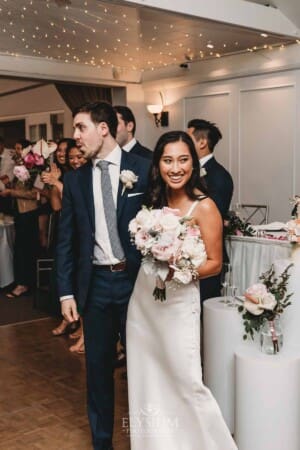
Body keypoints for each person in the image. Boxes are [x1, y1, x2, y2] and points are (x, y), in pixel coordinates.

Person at [126, 131, 237, 450]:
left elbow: (215, 263)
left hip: (178, 303)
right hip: (144, 302)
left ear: (193, 163)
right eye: (168, 160)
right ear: (158, 164)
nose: (175, 168)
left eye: (183, 160)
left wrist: (178, 268)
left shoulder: (204, 206)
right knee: (146, 376)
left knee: (186, 380)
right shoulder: (154, 201)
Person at [56, 101, 151, 450]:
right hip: (95, 286)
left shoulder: (143, 168)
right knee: (97, 372)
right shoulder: (75, 179)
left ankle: (149, 439)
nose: (75, 137)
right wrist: (66, 293)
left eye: (81, 128)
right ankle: (102, 443)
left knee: (143, 368)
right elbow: (65, 241)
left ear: (103, 128)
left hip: (135, 284)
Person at [187, 119, 234, 301]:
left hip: (207, 257)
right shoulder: (188, 171)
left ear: (202, 142)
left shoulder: (219, 175)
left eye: (188, 138)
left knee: (204, 315)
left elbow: (215, 217)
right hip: (187, 258)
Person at [0, 136, 15, 214]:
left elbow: (18, 167)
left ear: (2, 144)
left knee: (6, 213)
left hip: (7, 188)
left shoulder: (11, 153)